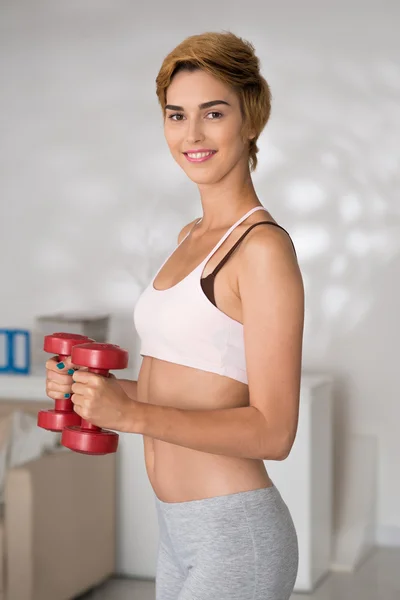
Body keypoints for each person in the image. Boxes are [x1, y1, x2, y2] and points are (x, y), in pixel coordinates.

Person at [46, 30, 304, 600]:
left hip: (235, 532)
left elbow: (275, 430)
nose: (192, 135)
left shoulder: (261, 249)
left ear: (252, 118)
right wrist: (97, 391)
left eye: (213, 113)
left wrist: (130, 415)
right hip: (178, 529)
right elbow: (187, 386)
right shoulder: (190, 237)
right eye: (176, 114)